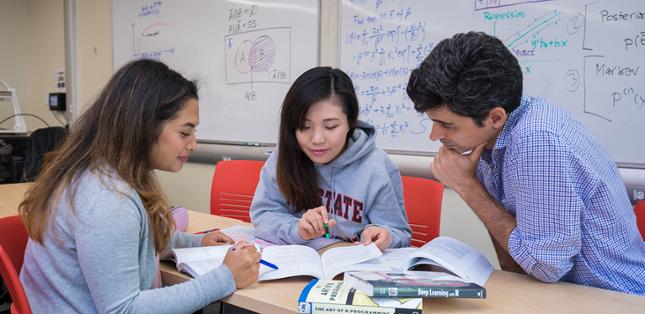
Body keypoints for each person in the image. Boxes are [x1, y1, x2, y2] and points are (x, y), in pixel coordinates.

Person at [19, 59, 261, 314]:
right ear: (144, 127)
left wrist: (195, 242)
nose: (193, 144)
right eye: (184, 133)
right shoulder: (108, 200)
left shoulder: (99, 172)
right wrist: (224, 278)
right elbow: (123, 313)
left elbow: (126, 243)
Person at [406, 31, 645, 294]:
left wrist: (467, 186)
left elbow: (546, 267)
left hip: (618, 300)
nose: (435, 136)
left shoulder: (537, 140)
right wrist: (473, 184)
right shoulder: (490, 140)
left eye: (446, 125)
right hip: (566, 295)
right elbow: (521, 264)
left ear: (495, 117)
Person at [250, 66, 411, 252]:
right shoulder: (284, 156)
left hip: (350, 270)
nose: (317, 139)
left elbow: (400, 232)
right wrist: (297, 229)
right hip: (298, 266)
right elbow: (263, 214)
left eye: (331, 126)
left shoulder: (377, 167)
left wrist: (384, 235)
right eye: (304, 127)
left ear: (350, 122)